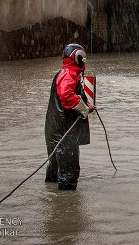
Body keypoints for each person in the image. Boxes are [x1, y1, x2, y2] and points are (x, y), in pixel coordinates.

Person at [45, 43, 94, 191]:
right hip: (65, 134)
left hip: (54, 131)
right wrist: (84, 108)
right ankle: (67, 209)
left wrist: (85, 106)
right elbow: (66, 95)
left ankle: (52, 201)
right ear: (78, 57)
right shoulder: (70, 74)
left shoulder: (63, 72)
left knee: (54, 169)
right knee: (69, 172)